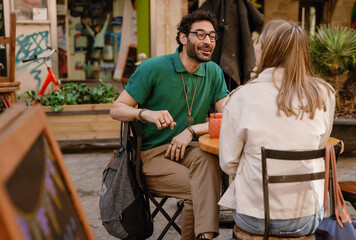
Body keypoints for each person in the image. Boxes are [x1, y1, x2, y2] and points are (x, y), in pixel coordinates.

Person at [110, 10, 229, 240]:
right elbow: (116, 109)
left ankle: (204, 237)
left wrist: (192, 130)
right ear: (183, 38)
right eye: (200, 35)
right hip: (152, 156)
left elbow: (228, 118)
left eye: (212, 37)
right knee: (203, 189)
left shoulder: (213, 71)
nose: (208, 42)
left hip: (190, 150)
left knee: (208, 159)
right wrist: (145, 114)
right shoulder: (153, 68)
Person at [218, 19, 335, 237]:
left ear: (268, 50)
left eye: (258, 43)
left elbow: (228, 163)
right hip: (305, 218)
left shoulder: (241, 97)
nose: (255, 47)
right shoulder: (325, 93)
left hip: (253, 217)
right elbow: (317, 145)